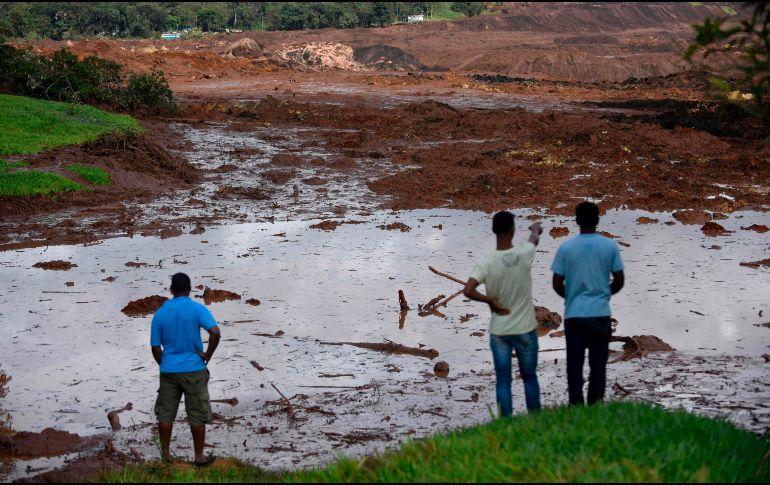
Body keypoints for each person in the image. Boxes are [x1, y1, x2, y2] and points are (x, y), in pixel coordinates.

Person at [463, 211, 543, 416]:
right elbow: (534, 240)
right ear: (513, 231)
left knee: (503, 381)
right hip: (525, 329)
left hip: (499, 331)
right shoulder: (524, 253)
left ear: (493, 230)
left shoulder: (487, 262)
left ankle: (505, 424)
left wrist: (490, 301)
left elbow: (468, 290)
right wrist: (535, 229)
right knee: (530, 378)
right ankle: (536, 421)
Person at [551, 202, 624, 406]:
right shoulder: (609, 246)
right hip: (600, 314)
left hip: (574, 315)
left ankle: (576, 406)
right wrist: (603, 295)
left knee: (574, 364)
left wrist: (572, 296)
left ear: (576, 221)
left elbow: (557, 283)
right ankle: (595, 405)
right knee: (598, 363)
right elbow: (619, 280)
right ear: (598, 220)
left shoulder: (566, 248)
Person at [150, 273, 221, 466]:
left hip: (169, 371)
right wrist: (207, 355)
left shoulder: (160, 314)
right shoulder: (197, 309)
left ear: (171, 290)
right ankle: (199, 456)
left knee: (165, 415)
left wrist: (164, 364)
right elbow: (215, 332)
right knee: (196, 414)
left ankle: (166, 456)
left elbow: (156, 348)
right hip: (194, 370)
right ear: (189, 290)